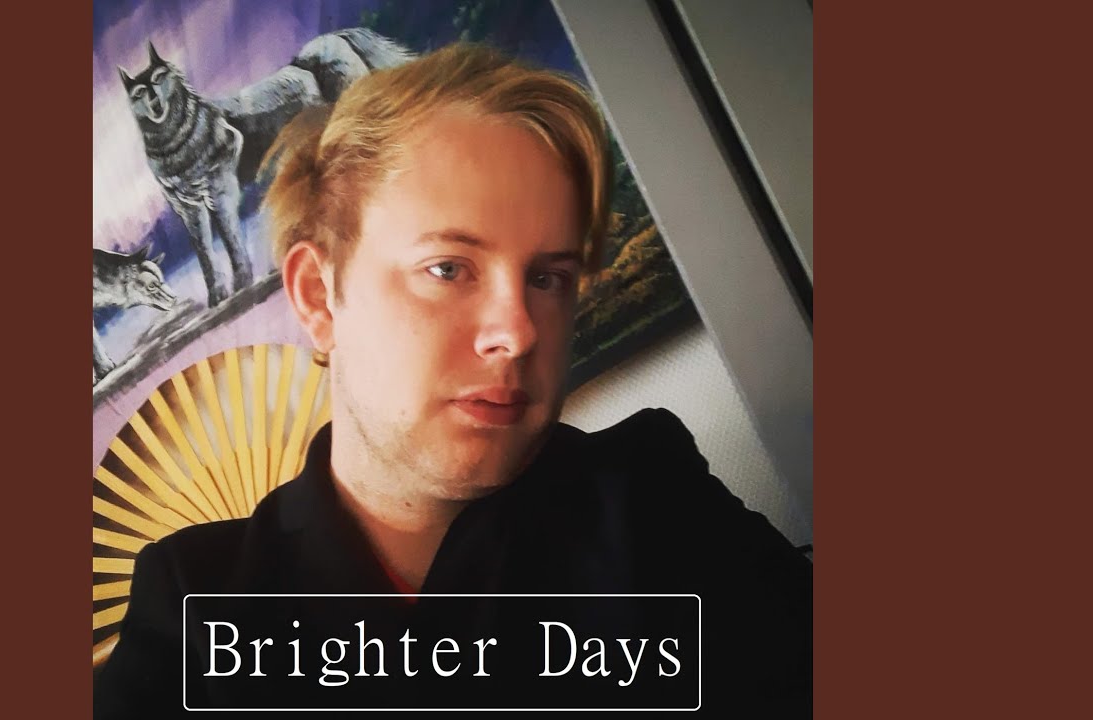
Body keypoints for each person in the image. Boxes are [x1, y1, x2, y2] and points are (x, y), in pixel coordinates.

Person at [95, 42, 810, 716]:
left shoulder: (652, 503)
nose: (519, 331)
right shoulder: (197, 608)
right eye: (448, 268)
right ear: (319, 297)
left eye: (548, 278)